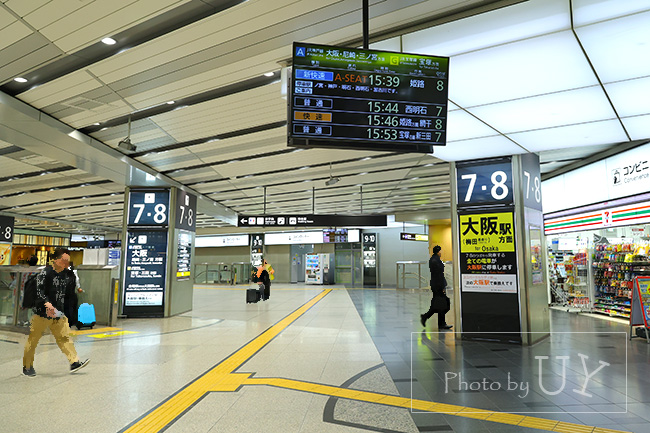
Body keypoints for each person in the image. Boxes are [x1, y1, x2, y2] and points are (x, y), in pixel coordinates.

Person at [22, 248, 89, 377]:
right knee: (33, 340)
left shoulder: (66, 275)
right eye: (64, 261)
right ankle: (27, 366)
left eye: (68, 261)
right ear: (56, 260)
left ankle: (74, 362)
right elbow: (39, 291)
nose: (66, 264)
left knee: (64, 338)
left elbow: (66, 294)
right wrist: (47, 304)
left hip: (58, 313)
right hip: (42, 313)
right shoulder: (45, 273)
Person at [420, 245, 452, 330]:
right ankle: (437, 322)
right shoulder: (435, 261)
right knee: (442, 304)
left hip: (436, 285)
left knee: (439, 304)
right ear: (438, 251)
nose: (441, 252)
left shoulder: (434, 259)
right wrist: (442, 286)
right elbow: (439, 275)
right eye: (440, 251)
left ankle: (429, 318)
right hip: (438, 285)